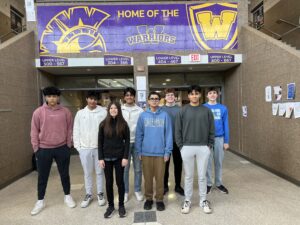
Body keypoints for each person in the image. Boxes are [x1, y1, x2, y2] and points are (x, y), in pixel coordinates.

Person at [30, 86, 76, 216]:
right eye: (49, 96)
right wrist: (36, 148)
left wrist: (68, 144)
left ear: (58, 97)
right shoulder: (38, 112)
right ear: (45, 97)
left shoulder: (65, 112)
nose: (52, 99)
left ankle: (67, 196)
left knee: (64, 174)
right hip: (44, 149)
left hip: (62, 148)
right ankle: (40, 201)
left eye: (54, 96)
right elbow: (34, 131)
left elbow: (69, 129)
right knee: (42, 176)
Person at [175, 85, 214, 214]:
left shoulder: (206, 111)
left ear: (200, 95)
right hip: (187, 147)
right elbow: (178, 130)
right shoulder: (183, 110)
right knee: (188, 176)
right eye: (192, 94)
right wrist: (181, 146)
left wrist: (209, 145)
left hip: (203, 147)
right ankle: (187, 200)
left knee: (202, 176)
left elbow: (211, 129)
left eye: (196, 93)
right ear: (188, 96)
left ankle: (203, 200)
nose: (194, 96)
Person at [135, 91, 173, 211]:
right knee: (147, 178)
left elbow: (168, 135)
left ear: (159, 100)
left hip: (161, 153)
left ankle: (160, 199)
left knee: (160, 178)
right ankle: (149, 199)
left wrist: (167, 151)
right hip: (146, 153)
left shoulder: (165, 115)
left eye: (157, 98)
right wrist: (139, 151)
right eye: (152, 98)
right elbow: (139, 134)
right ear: (148, 100)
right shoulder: (143, 116)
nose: (154, 100)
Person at [73, 91, 107, 208]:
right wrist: (78, 147)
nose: (92, 101)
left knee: (99, 172)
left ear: (97, 100)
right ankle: (88, 194)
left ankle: (100, 193)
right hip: (84, 148)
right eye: (90, 99)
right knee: (87, 173)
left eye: (95, 99)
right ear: (87, 99)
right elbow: (76, 130)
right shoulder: (80, 113)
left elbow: (107, 130)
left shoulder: (103, 112)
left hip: (99, 148)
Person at [98, 102, 130, 218]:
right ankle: (110, 206)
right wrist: (100, 158)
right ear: (108, 110)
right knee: (108, 182)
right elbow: (100, 142)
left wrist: (125, 157)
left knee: (120, 182)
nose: (113, 110)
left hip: (119, 158)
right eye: (111, 108)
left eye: (115, 108)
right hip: (106, 158)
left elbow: (127, 143)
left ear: (119, 110)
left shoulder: (124, 124)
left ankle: (121, 205)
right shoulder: (103, 124)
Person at [204, 87, 230, 194]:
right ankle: (209, 184)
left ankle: (218, 183)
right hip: (207, 139)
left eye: (214, 93)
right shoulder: (203, 107)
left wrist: (226, 141)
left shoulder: (223, 108)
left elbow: (226, 124)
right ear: (207, 95)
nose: (212, 95)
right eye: (210, 93)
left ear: (217, 94)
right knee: (208, 162)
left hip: (220, 138)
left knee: (218, 162)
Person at [122, 87, 144, 202]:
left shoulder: (140, 110)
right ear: (124, 97)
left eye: (131, 95)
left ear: (134, 97)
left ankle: (137, 190)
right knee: (125, 169)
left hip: (137, 143)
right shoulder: (120, 109)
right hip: (124, 143)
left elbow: (142, 127)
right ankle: (125, 191)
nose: (129, 97)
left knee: (138, 168)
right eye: (127, 95)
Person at [161, 88, 184, 196]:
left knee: (178, 165)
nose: (170, 97)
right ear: (165, 97)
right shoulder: (161, 110)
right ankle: (164, 186)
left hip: (177, 141)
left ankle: (178, 186)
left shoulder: (180, 109)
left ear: (175, 97)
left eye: (172, 95)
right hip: (165, 142)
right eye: (168, 95)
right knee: (164, 165)